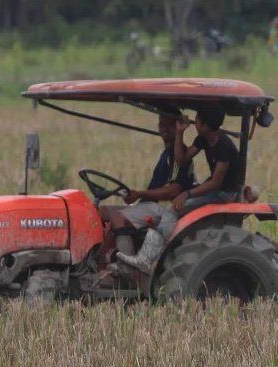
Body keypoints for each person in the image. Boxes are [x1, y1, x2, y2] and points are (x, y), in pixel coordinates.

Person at [117, 103, 240, 272]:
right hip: (213, 188)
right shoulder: (203, 138)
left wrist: (187, 194)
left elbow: (216, 183)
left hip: (225, 194)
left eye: (196, 121)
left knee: (173, 209)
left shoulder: (224, 146)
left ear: (204, 125)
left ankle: (146, 259)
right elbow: (181, 160)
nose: (193, 123)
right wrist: (180, 133)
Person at [100, 105, 194, 279]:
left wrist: (139, 194)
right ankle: (99, 261)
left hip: (165, 208)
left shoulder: (176, 154)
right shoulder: (167, 153)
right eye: (161, 124)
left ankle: (126, 268)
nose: (164, 129)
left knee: (118, 217)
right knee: (102, 211)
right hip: (152, 204)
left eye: (169, 125)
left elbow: (173, 190)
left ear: (178, 127)